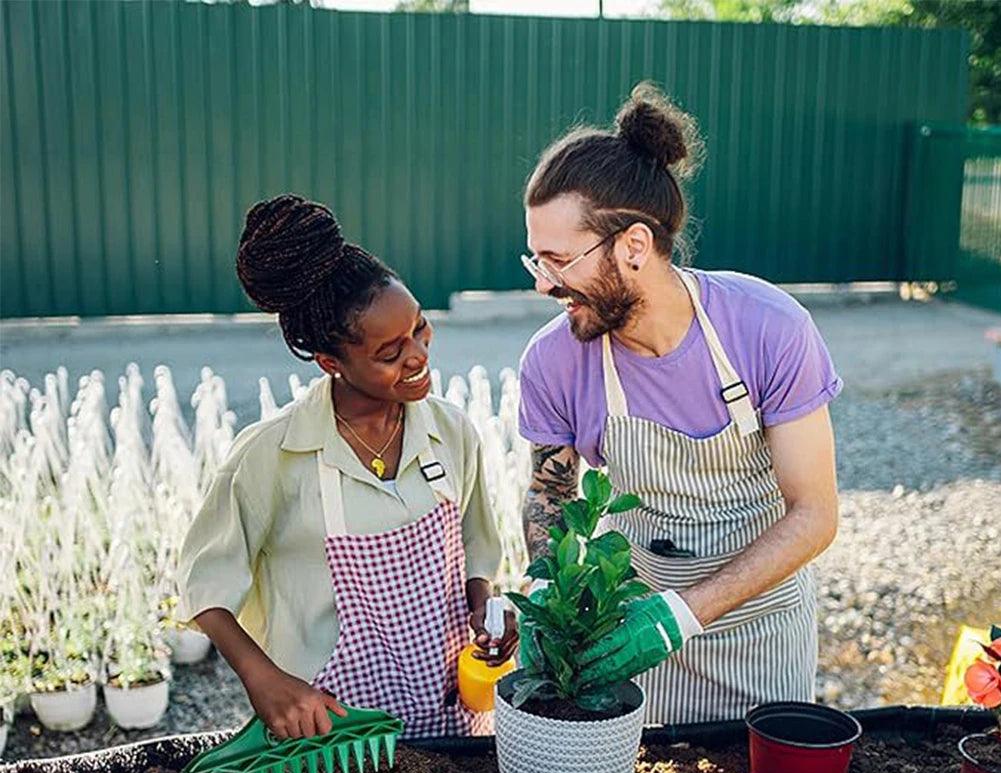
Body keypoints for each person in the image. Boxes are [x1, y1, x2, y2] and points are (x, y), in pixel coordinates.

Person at [518, 85, 841, 724]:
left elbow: (815, 515)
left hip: (762, 634)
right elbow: (549, 492)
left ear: (633, 246)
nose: (541, 283)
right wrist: (546, 587)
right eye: (536, 258)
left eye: (558, 261)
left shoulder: (767, 328)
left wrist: (683, 613)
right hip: (632, 642)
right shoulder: (553, 360)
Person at [176, 194, 516, 739]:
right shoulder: (273, 454)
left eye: (420, 329)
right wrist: (264, 680)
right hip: (330, 733)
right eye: (390, 353)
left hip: (449, 719)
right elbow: (205, 585)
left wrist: (488, 611)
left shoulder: (450, 433)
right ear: (332, 364)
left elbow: (478, 548)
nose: (419, 355)